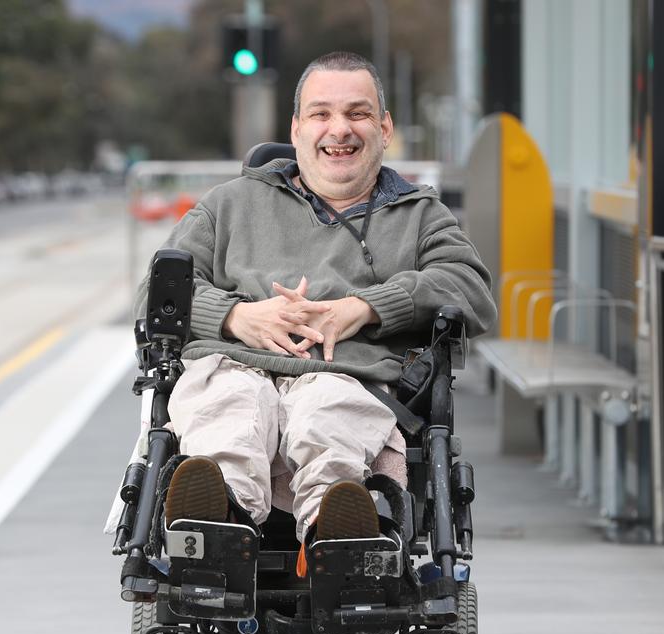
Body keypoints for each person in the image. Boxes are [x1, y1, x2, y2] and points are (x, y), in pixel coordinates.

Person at [136, 51, 496, 572]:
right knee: (230, 409)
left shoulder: (420, 215)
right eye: (322, 114)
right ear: (297, 126)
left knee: (329, 417)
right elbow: (158, 286)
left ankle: (336, 528)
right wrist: (237, 317)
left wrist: (367, 306)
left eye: (357, 113)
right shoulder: (231, 203)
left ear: (385, 126)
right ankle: (220, 517)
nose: (339, 130)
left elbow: (471, 290)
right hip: (234, 362)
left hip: (345, 372)